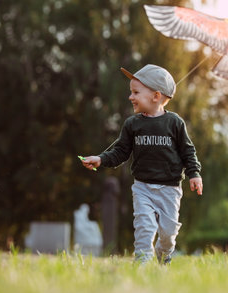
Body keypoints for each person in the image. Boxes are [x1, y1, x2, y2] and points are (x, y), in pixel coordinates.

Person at [80, 64, 203, 264]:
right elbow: (120, 151)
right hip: (143, 188)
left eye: (136, 92)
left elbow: (188, 151)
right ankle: (142, 264)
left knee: (168, 233)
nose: (131, 97)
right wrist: (101, 159)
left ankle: (164, 257)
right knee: (144, 227)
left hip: (170, 190)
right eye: (131, 92)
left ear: (156, 96)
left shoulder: (175, 123)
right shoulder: (132, 124)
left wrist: (194, 173)